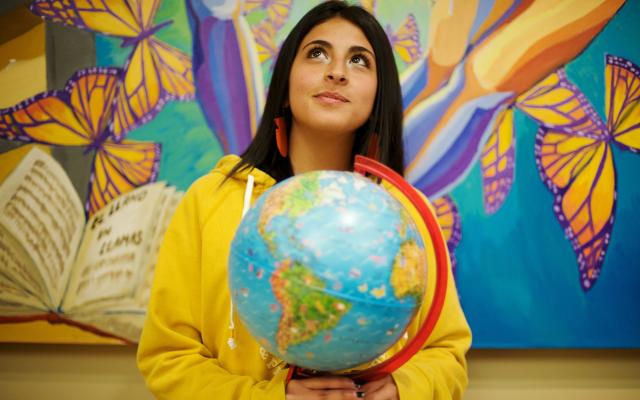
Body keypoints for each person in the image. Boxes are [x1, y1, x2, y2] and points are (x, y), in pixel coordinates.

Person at [137, 2, 471, 399]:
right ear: (285, 82)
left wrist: (406, 387)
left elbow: (447, 355)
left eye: (360, 61)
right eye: (317, 53)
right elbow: (168, 356)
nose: (336, 71)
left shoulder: (408, 213)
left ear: (379, 95)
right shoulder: (209, 199)